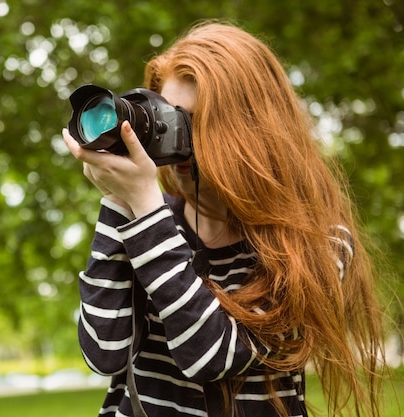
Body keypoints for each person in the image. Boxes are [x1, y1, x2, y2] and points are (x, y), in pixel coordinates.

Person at [62, 21, 385, 417]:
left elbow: (213, 357)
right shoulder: (145, 217)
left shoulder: (320, 244)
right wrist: (119, 197)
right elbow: (104, 352)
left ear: (252, 130)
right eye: (167, 116)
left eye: (193, 121)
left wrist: (146, 209)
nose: (173, 137)